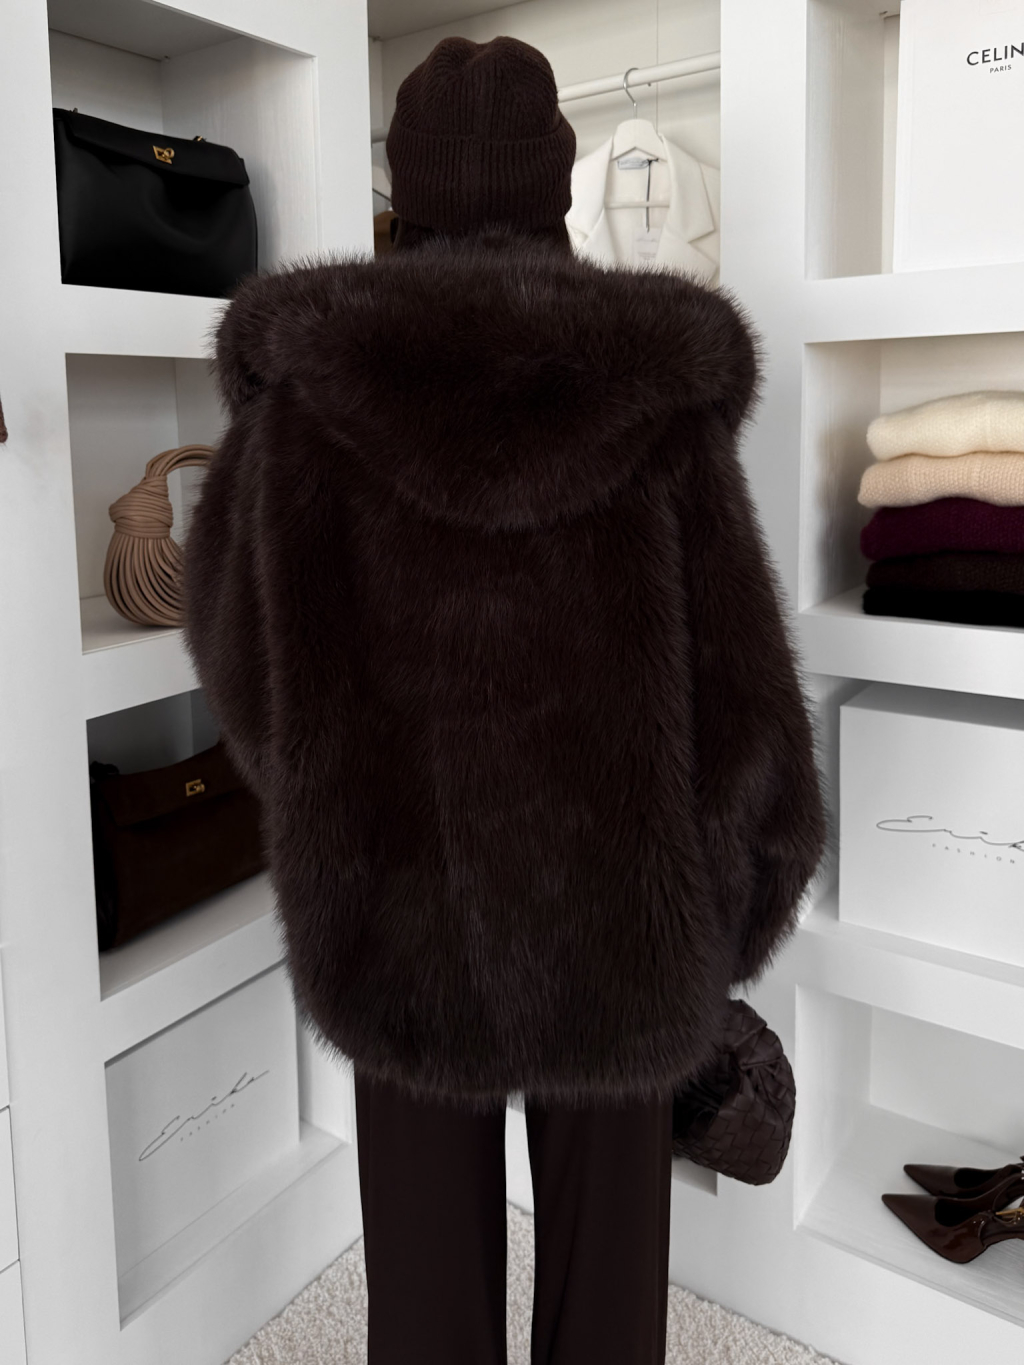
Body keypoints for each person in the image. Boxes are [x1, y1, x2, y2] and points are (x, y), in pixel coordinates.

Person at [182, 34, 826, 1365]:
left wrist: (329, 808)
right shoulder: (657, 394)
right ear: (556, 182)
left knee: (426, 1283)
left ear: (405, 186)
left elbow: (241, 666)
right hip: (622, 911)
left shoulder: (304, 399)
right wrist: (734, 918)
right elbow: (746, 706)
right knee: (610, 1286)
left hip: (394, 904)